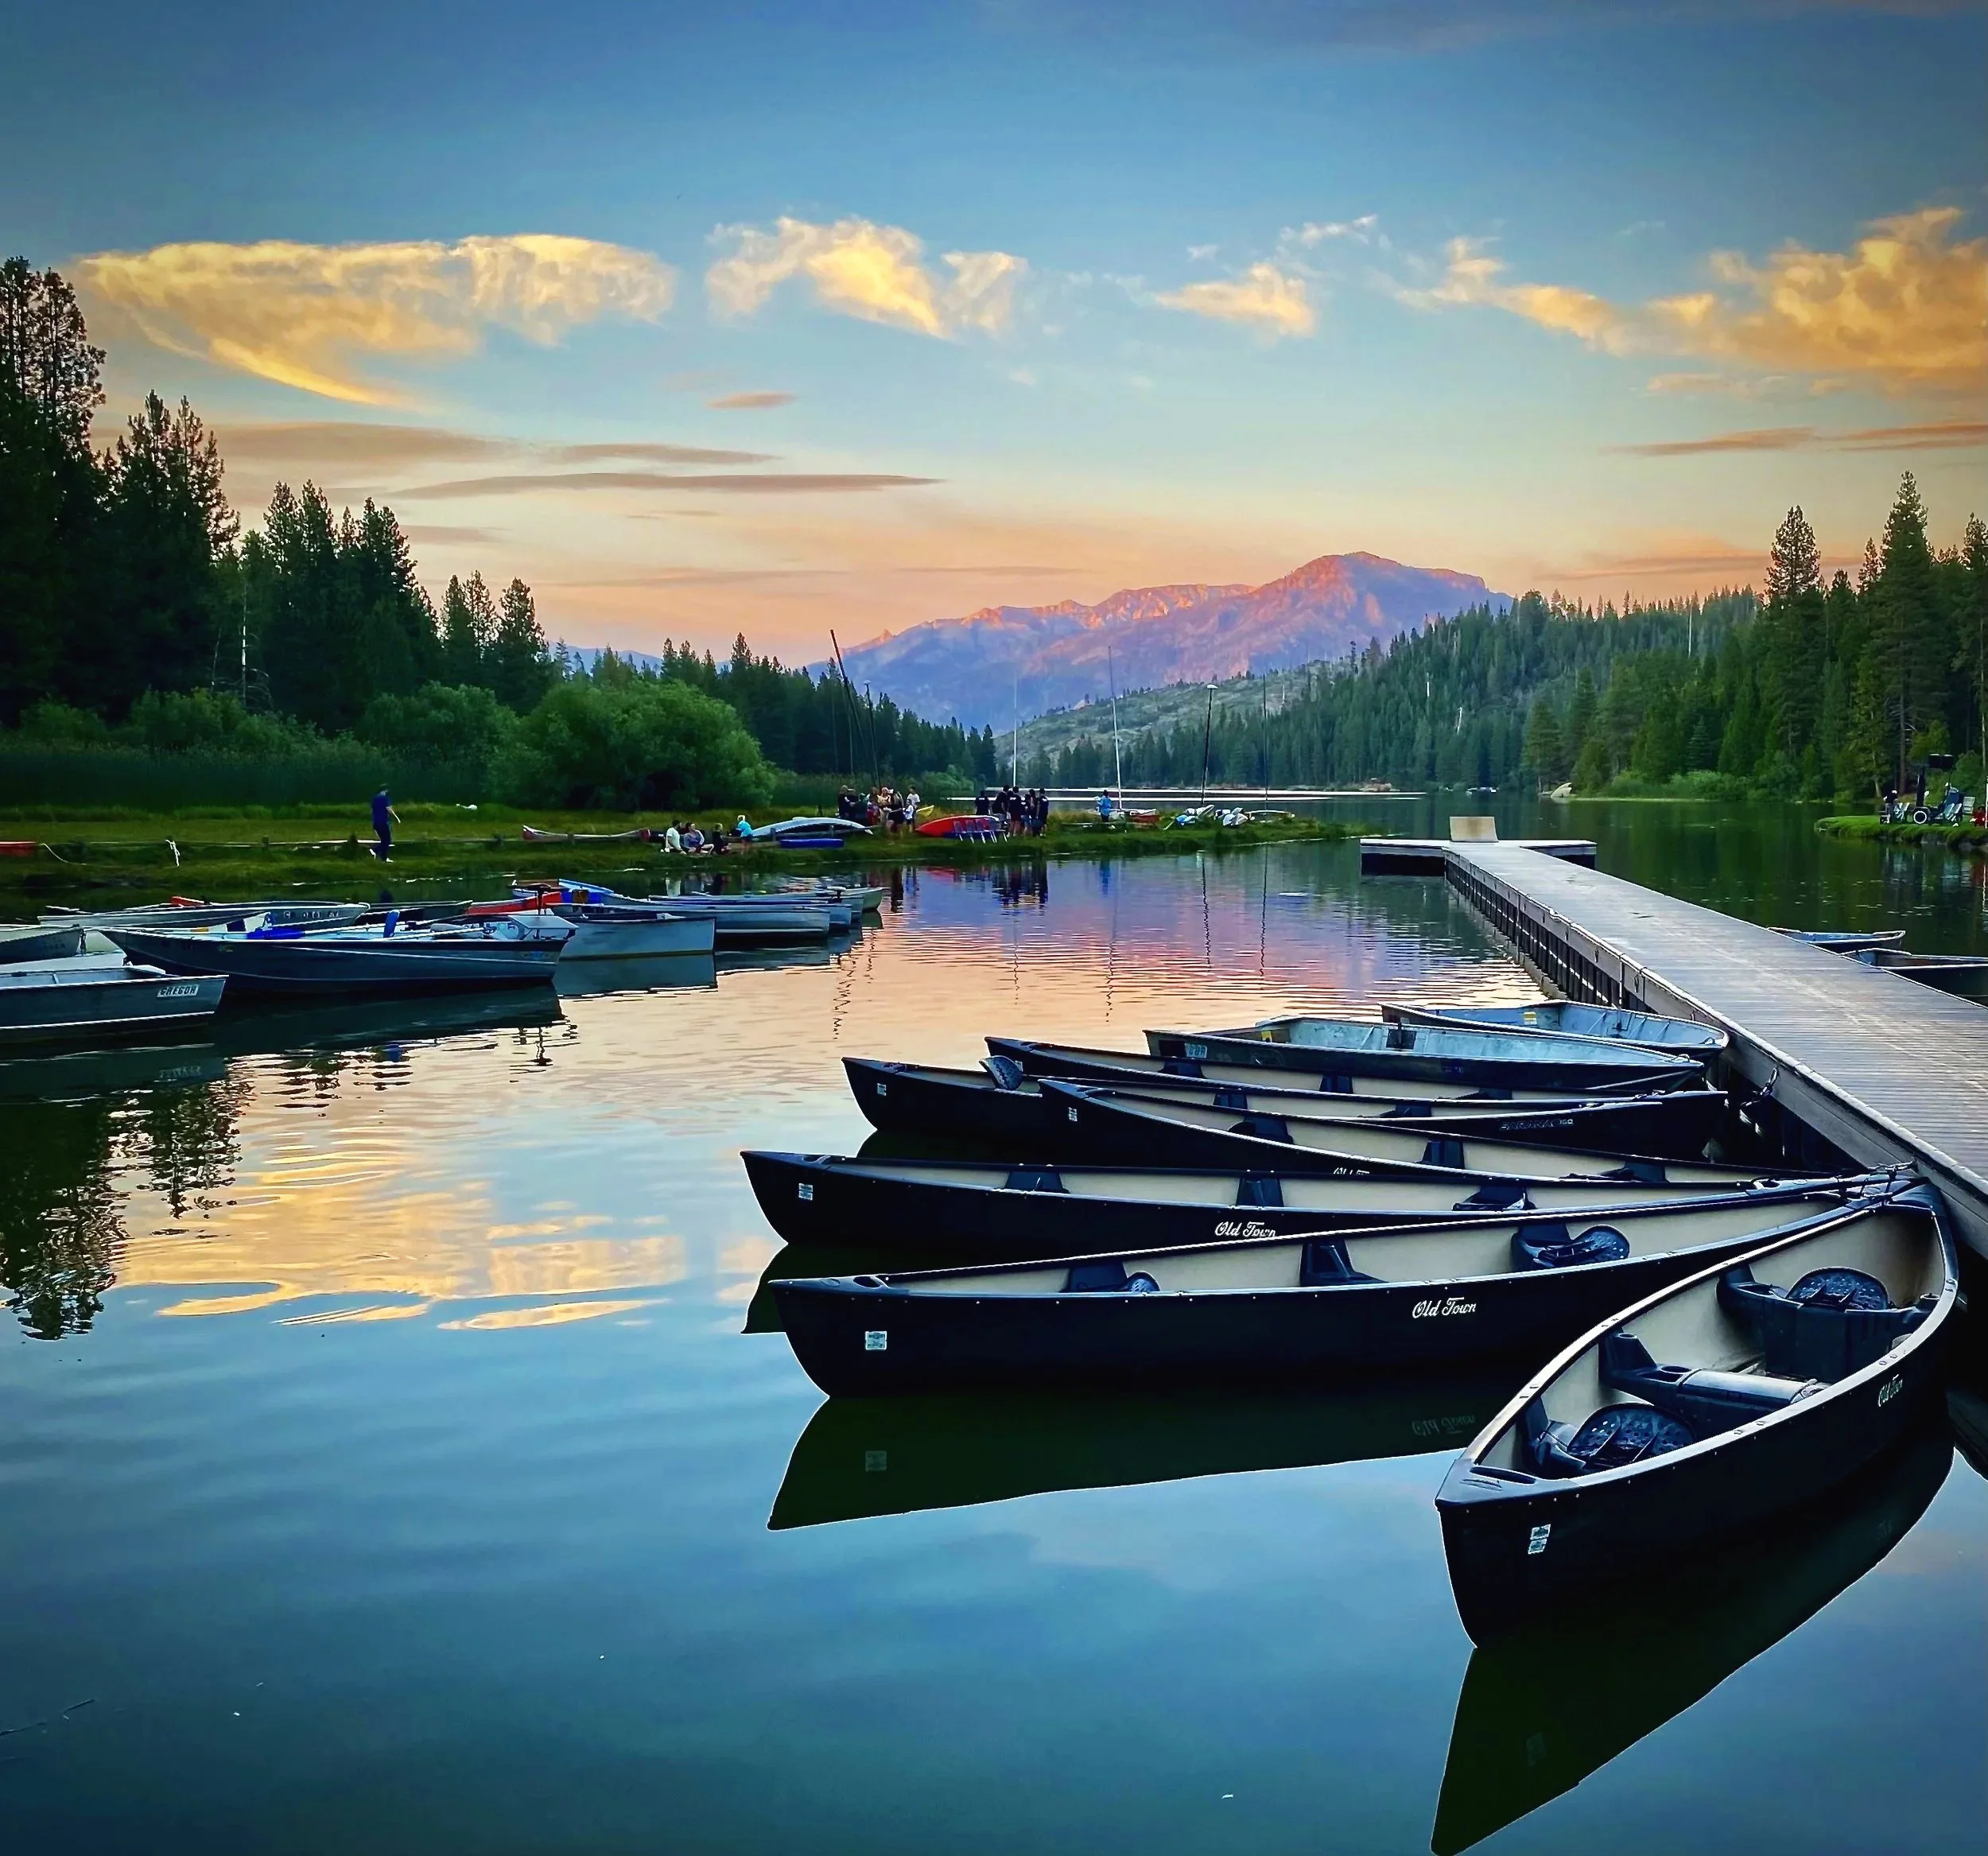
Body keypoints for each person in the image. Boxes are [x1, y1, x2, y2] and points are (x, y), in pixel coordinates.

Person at [370, 787, 398, 860]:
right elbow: (389, 809)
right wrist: (396, 818)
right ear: (384, 790)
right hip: (383, 822)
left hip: (376, 822)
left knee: (384, 840)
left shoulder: (375, 799)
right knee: (387, 840)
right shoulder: (385, 798)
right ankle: (375, 850)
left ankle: (383, 858)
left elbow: (372, 810)